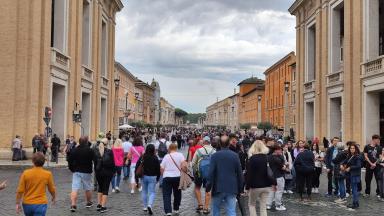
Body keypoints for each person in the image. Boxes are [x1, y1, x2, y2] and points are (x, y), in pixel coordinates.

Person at [207, 135, 243, 216]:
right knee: (231, 211)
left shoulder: (215, 156)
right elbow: (240, 173)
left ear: (219, 143)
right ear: (229, 144)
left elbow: (211, 173)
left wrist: (208, 186)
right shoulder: (235, 155)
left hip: (218, 187)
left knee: (216, 211)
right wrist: (240, 188)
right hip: (232, 187)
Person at [246, 140, 276, 216]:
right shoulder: (267, 158)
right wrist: (274, 183)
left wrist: (247, 187)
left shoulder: (252, 159)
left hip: (255, 186)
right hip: (266, 185)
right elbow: (271, 172)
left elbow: (249, 174)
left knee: (252, 205)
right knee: (263, 207)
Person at [68, 136, 94, 212]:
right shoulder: (90, 150)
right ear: (86, 142)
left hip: (76, 171)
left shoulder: (75, 150)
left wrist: (72, 169)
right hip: (87, 171)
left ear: (79, 142)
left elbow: (69, 161)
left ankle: (73, 204)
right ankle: (88, 202)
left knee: (74, 188)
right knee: (87, 188)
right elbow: (95, 159)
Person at [191, 136, 216, 214]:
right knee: (208, 190)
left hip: (199, 173)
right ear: (210, 142)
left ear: (204, 142)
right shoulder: (214, 151)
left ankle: (200, 204)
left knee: (197, 188)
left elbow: (193, 163)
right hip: (210, 174)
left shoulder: (199, 151)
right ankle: (206, 207)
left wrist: (195, 172)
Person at [161, 143, 186, 216]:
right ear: (176, 148)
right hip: (177, 176)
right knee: (177, 193)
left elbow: (162, 168)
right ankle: (176, 208)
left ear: (169, 148)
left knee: (166, 195)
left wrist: (163, 174)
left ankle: (168, 211)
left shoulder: (166, 156)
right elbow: (184, 166)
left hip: (167, 177)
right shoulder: (180, 155)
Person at [136, 144, 160, 215]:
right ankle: (150, 205)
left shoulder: (143, 157)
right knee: (152, 192)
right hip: (152, 177)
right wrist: (158, 177)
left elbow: (138, 166)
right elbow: (158, 169)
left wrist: (136, 177)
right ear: (153, 150)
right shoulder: (155, 158)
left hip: (144, 176)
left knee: (144, 191)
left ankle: (145, 207)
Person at [93, 138, 116, 213]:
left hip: (98, 173)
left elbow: (95, 163)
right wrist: (113, 172)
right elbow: (113, 163)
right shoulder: (109, 151)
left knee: (100, 188)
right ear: (107, 144)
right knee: (105, 189)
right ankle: (103, 206)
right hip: (107, 173)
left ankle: (99, 205)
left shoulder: (96, 151)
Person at [266, 145, 287, 211]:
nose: (281, 151)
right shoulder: (277, 159)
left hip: (271, 177)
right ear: (275, 150)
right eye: (280, 149)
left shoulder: (269, 157)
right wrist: (285, 167)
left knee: (272, 191)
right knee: (279, 191)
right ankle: (278, 205)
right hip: (279, 177)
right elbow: (283, 168)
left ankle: (268, 205)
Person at [343, 142, 362, 209]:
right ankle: (355, 202)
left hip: (355, 175)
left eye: (353, 148)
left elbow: (359, 166)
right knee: (354, 189)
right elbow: (345, 161)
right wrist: (341, 165)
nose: (352, 149)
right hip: (351, 174)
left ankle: (355, 204)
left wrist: (350, 167)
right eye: (351, 148)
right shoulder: (349, 155)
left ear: (356, 149)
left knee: (354, 190)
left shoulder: (358, 156)